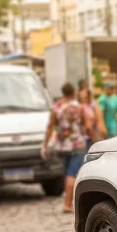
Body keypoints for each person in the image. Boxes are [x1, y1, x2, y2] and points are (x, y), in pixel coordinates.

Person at [42, 83, 92, 213]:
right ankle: (67, 204)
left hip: (62, 145)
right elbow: (87, 127)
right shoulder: (80, 108)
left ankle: (67, 200)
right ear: (74, 92)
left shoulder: (56, 107)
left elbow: (50, 127)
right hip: (77, 144)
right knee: (72, 173)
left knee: (66, 173)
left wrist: (44, 144)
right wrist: (95, 139)